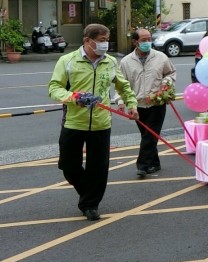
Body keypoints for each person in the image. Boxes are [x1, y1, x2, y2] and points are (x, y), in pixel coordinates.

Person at [48, 24, 139, 221]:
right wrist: (74, 96)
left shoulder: (110, 62)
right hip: (73, 122)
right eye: (101, 40)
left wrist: (131, 104)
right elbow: (54, 88)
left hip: (101, 123)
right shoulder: (68, 61)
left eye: (107, 40)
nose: (105, 44)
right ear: (87, 41)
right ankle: (88, 192)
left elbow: (123, 86)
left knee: (98, 168)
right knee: (68, 166)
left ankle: (90, 205)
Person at [115, 28, 176, 178]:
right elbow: (121, 83)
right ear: (135, 42)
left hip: (156, 103)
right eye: (143, 40)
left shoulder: (160, 57)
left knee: (150, 135)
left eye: (149, 39)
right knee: (147, 135)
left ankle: (142, 165)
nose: (147, 42)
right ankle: (154, 163)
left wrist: (166, 83)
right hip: (138, 105)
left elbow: (170, 73)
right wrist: (121, 100)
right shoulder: (126, 61)